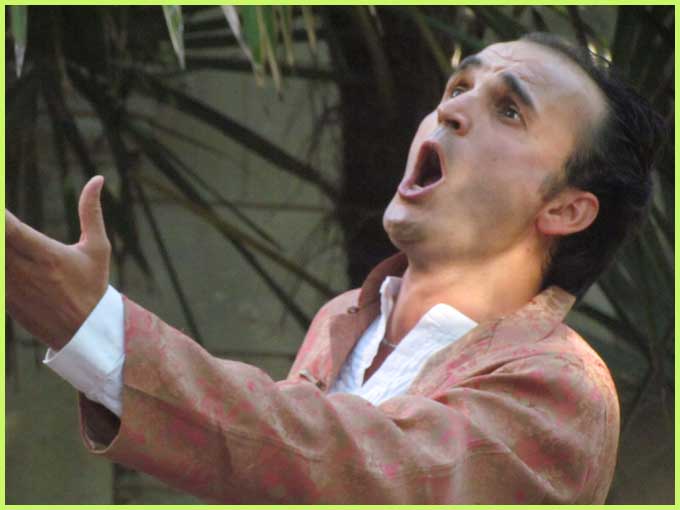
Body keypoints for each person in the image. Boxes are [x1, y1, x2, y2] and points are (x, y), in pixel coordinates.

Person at [5, 33, 664, 504]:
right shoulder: (342, 321)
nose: (451, 110)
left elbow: (354, 468)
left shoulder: (563, 388)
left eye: (509, 110)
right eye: (459, 86)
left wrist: (95, 329)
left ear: (566, 209)